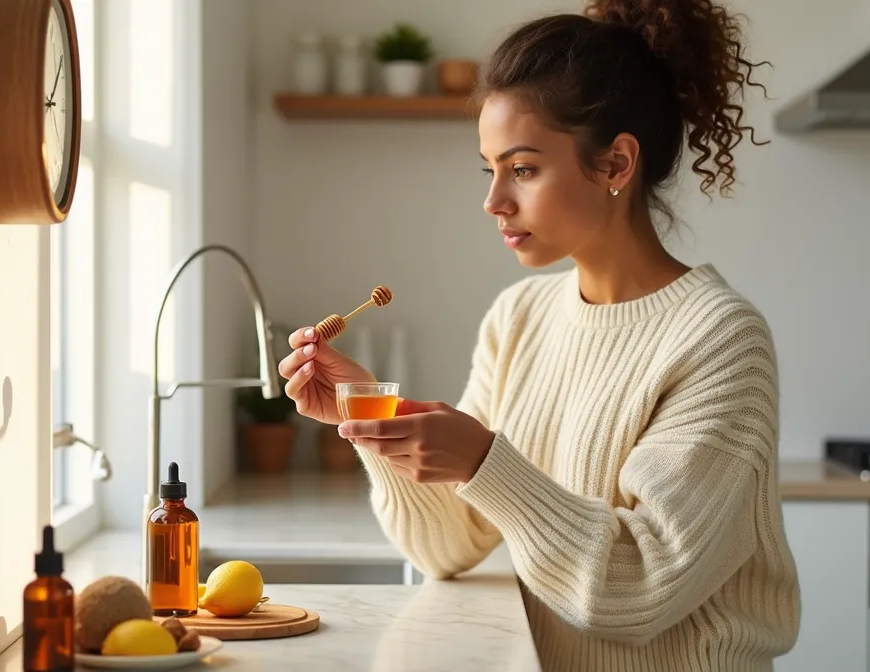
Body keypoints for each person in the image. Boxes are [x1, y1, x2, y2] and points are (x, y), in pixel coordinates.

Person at [277, 0, 801, 669]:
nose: (493, 200)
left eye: (522, 168)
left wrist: (483, 462)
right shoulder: (519, 317)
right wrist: (369, 414)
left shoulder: (721, 340)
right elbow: (448, 548)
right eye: (489, 168)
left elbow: (642, 585)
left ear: (615, 165)